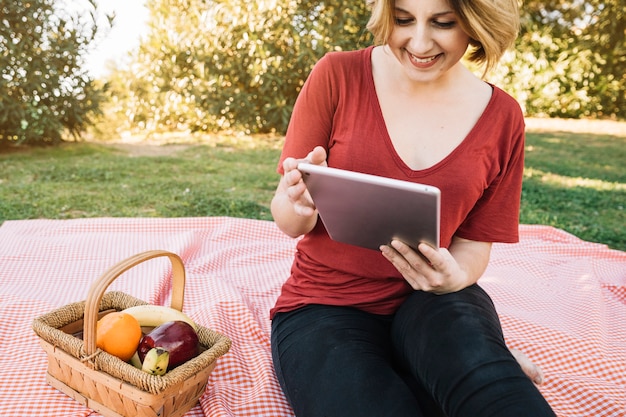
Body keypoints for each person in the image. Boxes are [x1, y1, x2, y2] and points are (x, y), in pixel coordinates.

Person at [269, 0, 556, 415]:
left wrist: (453, 277)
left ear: (477, 24)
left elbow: (475, 243)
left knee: (499, 394)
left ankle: (468, 361)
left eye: (443, 23)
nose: (419, 43)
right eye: (403, 20)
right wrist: (299, 202)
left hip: (435, 301)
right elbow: (288, 219)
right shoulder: (337, 74)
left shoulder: (503, 117)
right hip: (324, 307)